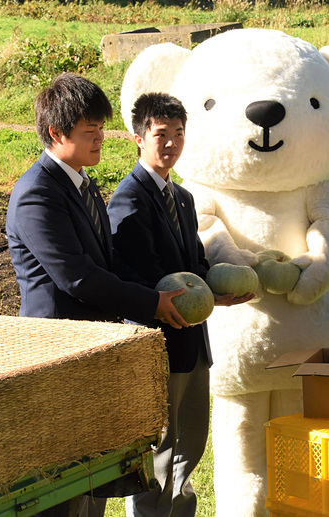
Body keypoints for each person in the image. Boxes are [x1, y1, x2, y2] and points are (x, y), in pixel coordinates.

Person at [5, 73, 188, 517]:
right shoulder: (37, 194)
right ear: (56, 133)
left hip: (89, 349)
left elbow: (106, 267)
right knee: (63, 483)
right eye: (90, 133)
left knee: (92, 474)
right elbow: (77, 277)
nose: (100, 140)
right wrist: (150, 303)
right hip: (56, 350)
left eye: (101, 129)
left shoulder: (82, 185)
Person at [107, 92, 252, 517]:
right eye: (160, 135)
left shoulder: (184, 198)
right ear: (138, 138)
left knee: (191, 444)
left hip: (194, 342)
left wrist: (215, 292)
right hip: (159, 347)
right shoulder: (128, 200)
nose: (170, 144)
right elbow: (134, 277)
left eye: (178, 134)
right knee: (160, 451)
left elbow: (195, 263)